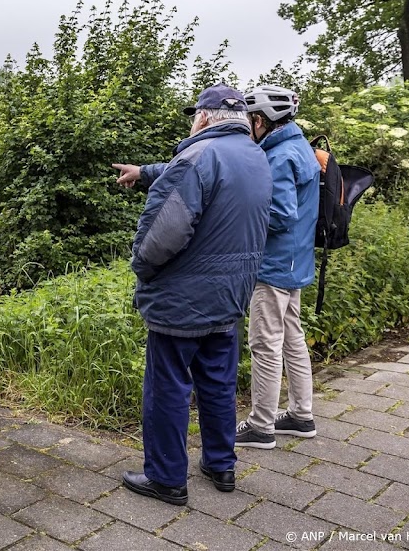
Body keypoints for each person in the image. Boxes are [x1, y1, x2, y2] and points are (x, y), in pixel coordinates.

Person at [112, 84, 271, 505]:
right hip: (231, 295)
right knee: (218, 383)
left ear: (203, 117)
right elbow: (207, 177)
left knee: (168, 387)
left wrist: (142, 270)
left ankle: (166, 478)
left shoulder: (197, 156)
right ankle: (222, 465)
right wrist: (144, 171)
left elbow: (162, 236)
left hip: (183, 299)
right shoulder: (255, 157)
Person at [235, 85, 320, 450]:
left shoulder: (280, 156)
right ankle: (301, 416)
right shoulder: (300, 147)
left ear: (260, 120)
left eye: (250, 120)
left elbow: (281, 215)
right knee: (292, 337)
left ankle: (261, 425)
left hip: (274, 265)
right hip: (295, 259)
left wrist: (239, 217)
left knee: (265, 344)